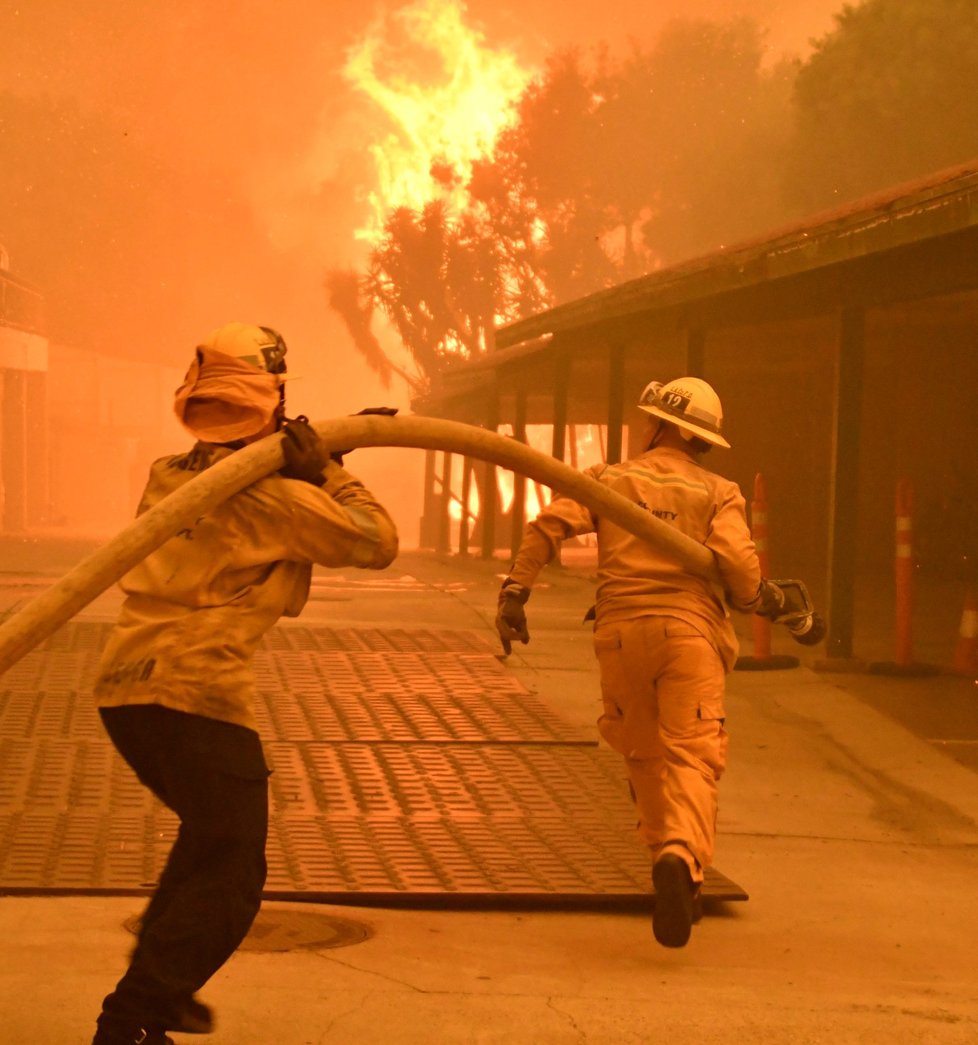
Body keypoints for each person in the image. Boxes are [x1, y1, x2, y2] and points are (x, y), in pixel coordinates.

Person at [90, 322, 399, 1044]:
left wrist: (307, 461)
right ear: (276, 396)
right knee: (234, 870)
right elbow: (375, 538)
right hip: (198, 696)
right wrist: (327, 469)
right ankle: (134, 1014)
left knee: (207, 841)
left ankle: (159, 993)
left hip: (127, 691)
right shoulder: (276, 500)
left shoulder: (168, 474)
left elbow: (236, 496)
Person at [496, 376, 779, 949]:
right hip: (691, 636)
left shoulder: (609, 480)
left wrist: (514, 593)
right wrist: (762, 601)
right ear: (701, 436)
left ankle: (668, 866)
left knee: (644, 755)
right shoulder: (719, 491)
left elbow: (547, 526)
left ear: (661, 425)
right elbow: (743, 575)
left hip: (621, 635)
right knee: (693, 757)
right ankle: (681, 859)